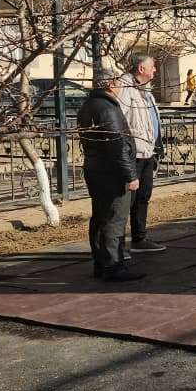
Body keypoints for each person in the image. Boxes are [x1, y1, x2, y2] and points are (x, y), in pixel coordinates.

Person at [78, 73, 144, 281]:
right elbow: (117, 145)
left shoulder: (89, 105)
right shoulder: (107, 108)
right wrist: (130, 175)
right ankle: (113, 266)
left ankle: (101, 263)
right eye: (118, 83)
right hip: (111, 174)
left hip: (97, 171)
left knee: (100, 218)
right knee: (114, 220)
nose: (121, 87)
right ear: (110, 84)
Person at [116, 54, 167, 254]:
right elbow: (119, 122)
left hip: (147, 152)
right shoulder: (125, 88)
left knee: (143, 197)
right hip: (133, 155)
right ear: (141, 69)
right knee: (125, 201)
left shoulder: (146, 91)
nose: (155, 70)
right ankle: (117, 247)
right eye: (152, 66)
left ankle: (139, 238)